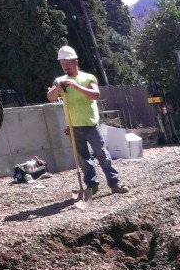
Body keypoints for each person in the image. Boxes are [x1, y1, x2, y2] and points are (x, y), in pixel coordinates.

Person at [46, 45, 127, 195]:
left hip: (90, 124)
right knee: (83, 159)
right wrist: (59, 88)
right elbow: (50, 97)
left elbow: (95, 95)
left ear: (76, 62)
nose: (65, 67)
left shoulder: (88, 78)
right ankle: (91, 185)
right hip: (73, 126)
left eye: (68, 63)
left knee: (102, 154)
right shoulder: (59, 81)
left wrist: (76, 86)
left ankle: (115, 183)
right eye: (62, 64)